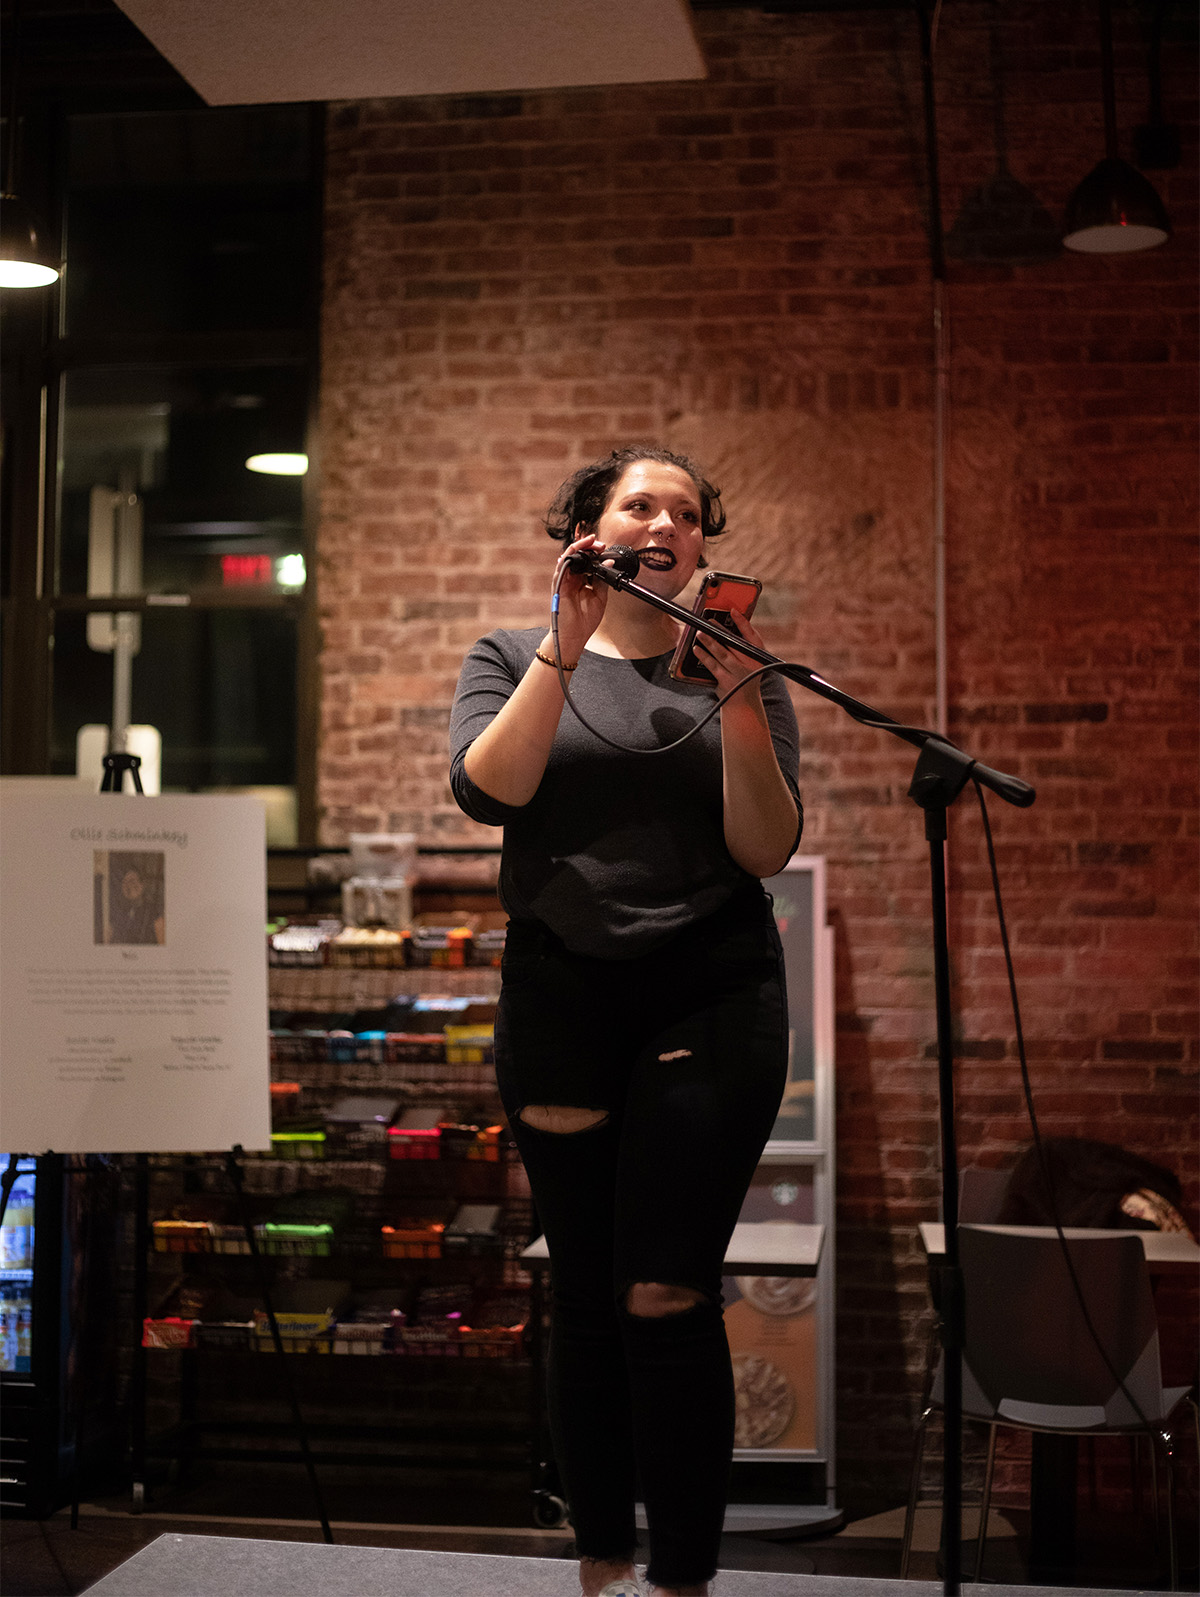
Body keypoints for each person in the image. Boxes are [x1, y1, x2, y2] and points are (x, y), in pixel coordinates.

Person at [449, 447, 803, 1597]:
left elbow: (764, 847)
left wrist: (738, 686)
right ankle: (602, 1561)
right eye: (640, 504)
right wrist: (567, 632)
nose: (666, 522)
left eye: (687, 513)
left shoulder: (742, 667)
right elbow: (489, 788)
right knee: (591, 1288)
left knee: (669, 1287)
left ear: (703, 547)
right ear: (590, 529)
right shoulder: (513, 651)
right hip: (565, 996)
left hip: (714, 989)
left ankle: (684, 1579)